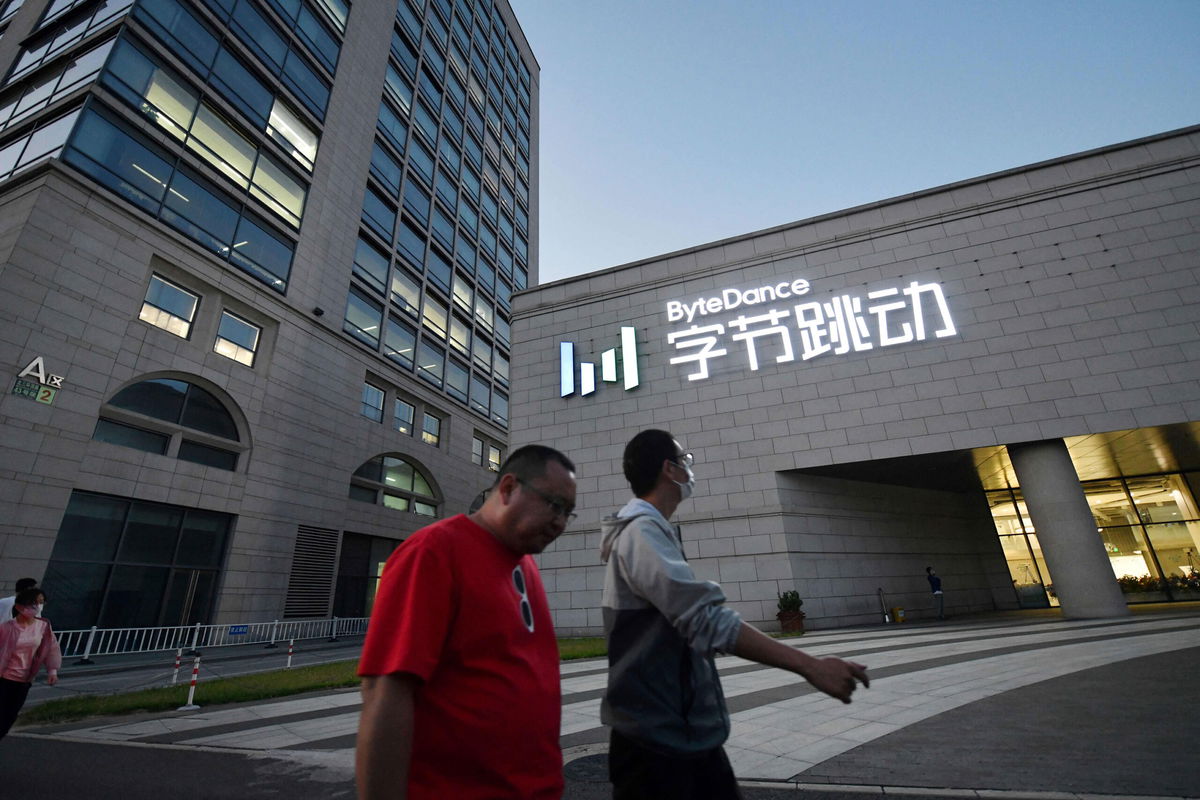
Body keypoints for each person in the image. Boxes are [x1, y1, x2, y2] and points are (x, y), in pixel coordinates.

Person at [600, 429, 869, 800]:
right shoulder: (642, 534)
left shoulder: (650, 531)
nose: (689, 469)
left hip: (681, 734)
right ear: (669, 469)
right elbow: (706, 620)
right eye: (685, 460)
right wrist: (811, 666)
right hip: (656, 744)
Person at [356, 444, 577, 800]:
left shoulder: (525, 564)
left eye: (569, 513)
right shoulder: (433, 552)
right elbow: (386, 692)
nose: (561, 522)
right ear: (507, 489)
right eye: (554, 505)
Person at [0, 587, 61, 740]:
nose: (37, 606)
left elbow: (51, 648)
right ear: (20, 606)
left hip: (23, 680)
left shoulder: (43, 626)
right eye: (33, 603)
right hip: (3, 678)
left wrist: (52, 670)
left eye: (41, 602)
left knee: (9, 717)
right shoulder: (7, 627)